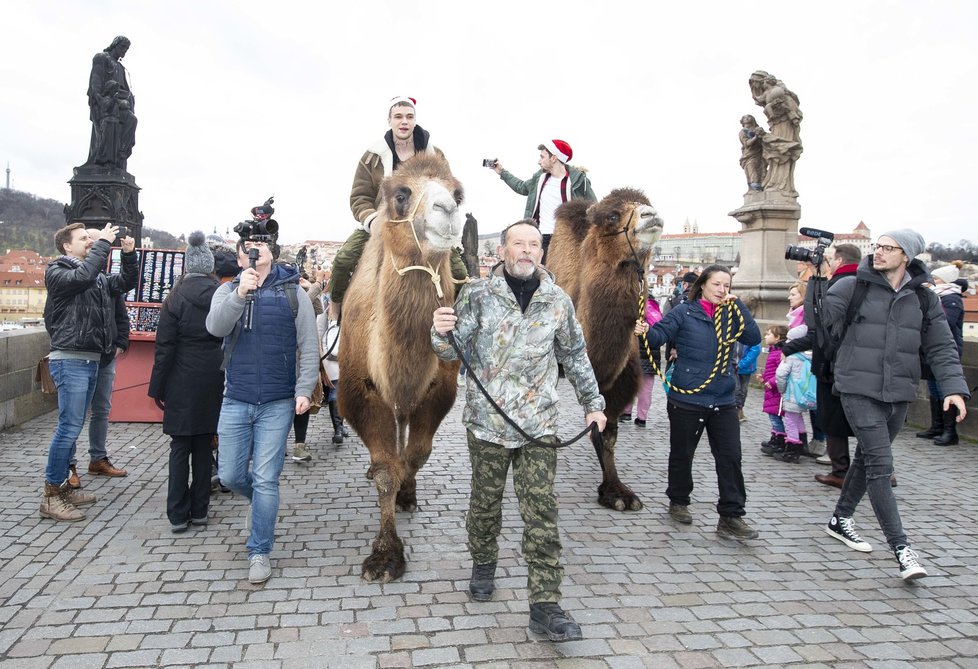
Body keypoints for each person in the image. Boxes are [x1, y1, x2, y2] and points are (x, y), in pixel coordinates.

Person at [431, 220, 607, 643]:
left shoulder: (557, 301)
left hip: (538, 426)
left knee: (541, 513)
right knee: (485, 505)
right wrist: (438, 332)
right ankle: (484, 562)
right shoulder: (477, 295)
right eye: (518, 244)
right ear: (503, 251)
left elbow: (575, 355)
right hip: (488, 425)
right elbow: (451, 350)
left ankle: (545, 605)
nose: (526, 251)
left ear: (540, 253)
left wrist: (593, 405)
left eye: (533, 244)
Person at [821, 229, 969, 582]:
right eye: (878, 246)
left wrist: (953, 388)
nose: (879, 252)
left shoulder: (924, 299)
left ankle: (840, 519)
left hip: (899, 392)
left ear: (908, 256)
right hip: (857, 386)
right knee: (880, 466)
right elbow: (822, 319)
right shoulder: (852, 286)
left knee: (868, 457)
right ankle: (903, 550)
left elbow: (941, 347)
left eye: (889, 247)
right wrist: (818, 281)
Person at [206, 237, 320, 584]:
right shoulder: (226, 291)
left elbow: (309, 345)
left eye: (262, 244)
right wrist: (240, 294)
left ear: (273, 252)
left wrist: (303, 389)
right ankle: (260, 508)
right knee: (230, 476)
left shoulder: (293, 293)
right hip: (236, 397)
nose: (256, 251)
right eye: (249, 246)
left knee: (267, 478)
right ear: (241, 257)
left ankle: (259, 550)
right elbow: (215, 328)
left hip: (277, 401)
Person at [636, 265, 761, 539]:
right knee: (683, 453)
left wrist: (739, 306)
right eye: (717, 284)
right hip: (688, 396)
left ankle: (731, 515)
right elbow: (660, 336)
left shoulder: (731, 314)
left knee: (730, 457)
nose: (722, 290)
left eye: (727, 285)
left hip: (723, 397)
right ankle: (678, 500)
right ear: (703, 284)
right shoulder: (684, 311)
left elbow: (753, 337)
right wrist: (644, 330)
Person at [40, 222, 137, 522]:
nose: (88, 242)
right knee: (68, 427)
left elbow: (124, 283)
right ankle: (52, 494)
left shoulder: (95, 278)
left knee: (75, 424)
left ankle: (63, 489)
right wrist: (103, 244)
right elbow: (82, 276)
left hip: (91, 359)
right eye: (83, 239)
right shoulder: (57, 272)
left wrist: (130, 255)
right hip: (69, 359)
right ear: (67, 246)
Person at [329, 96, 466, 307]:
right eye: (399, 116)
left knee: (458, 272)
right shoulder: (372, 156)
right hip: (383, 222)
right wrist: (372, 220)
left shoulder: (436, 155)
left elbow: (447, 189)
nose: (404, 121)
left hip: (424, 224)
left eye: (409, 117)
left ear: (415, 120)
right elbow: (359, 196)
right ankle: (337, 311)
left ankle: (456, 321)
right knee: (343, 261)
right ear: (389, 120)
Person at [149, 231, 224, 533]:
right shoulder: (221, 294)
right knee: (205, 445)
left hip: (180, 377)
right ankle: (201, 509)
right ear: (209, 266)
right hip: (213, 375)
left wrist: (157, 389)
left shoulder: (175, 298)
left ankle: (178, 514)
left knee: (180, 447)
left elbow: (164, 348)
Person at [782, 244, 862, 488]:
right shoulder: (867, 283)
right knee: (867, 421)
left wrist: (817, 278)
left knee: (833, 420)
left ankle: (840, 471)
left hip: (832, 362)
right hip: (859, 364)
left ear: (837, 260)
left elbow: (817, 321)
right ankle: (880, 469)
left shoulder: (839, 285)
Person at [66, 227, 132, 490]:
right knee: (74, 415)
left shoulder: (104, 279)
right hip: (78, 355)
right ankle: (69, 465)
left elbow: (121, 313)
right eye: (87, 240)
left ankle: (98, 458)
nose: (92, 244)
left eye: (95, 241)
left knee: (101, 410)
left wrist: (120, 342)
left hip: (105, 355)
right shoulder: (67, 274)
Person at [491, 139, 596, 260]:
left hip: (565, 239)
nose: (539, 161)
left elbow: (594, 208)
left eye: (542, 157)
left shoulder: (578, 181)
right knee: (537, 275)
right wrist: (501, 172)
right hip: (539, 237)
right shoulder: (539, 179)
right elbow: (521, 187)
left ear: (554, 158)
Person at [917, 261, 965, 446]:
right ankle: (937, 426)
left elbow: (947, 322)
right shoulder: (938, 296)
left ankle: (949, 431)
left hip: (946, 351)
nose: (933, 281)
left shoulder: (950, 298)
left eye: (936, 278)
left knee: (945, 390)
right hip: (930, 353)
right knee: (934, 389)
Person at [86, 36, 137, 170]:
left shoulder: (121, 68)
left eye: (126, 49)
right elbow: (95, 83)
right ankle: (105, 159)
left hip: (119, 103)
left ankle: (122, 152)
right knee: (110, 122)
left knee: (132, 120)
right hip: (106, 105)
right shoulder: (101, 58)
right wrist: (101, 100)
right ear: (114, 45)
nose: (124, 51)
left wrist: (128, 100)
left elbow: (124, 90)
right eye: (122, 47)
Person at [290, 272, 325, 462]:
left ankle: (299, 446)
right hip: (288, 358)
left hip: (303, 358)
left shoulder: (298, 295)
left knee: (302, 403)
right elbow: (310, 299)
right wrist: (317, 283)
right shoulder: (286, 298)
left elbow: (318, 309)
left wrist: (306, 288)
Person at [774, 325, 815, 463]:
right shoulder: (810, 356)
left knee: (790, 421)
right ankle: (802, 443)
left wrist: (782, 390)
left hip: (791, 394)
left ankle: (792, 450)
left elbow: (780, 375)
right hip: (804, 394)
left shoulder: (791, 357)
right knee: (798, 418)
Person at [621, 294, 663, 426]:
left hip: (632, 354)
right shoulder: (655, 309)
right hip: (651, 357)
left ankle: (626, 412)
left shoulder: (631, 309)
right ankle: (642, 418)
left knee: (628, 385)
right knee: (646, 389)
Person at [319, 300, 347, 445]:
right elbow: (318, 338)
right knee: (335, 392)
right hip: (331, 361)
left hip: (346, 361)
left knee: (342, 394)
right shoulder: (324, 318)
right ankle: (338, 429)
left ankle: (340, 425)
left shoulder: (348, 317)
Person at [758, 325, 788, 455]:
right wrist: (764, 378)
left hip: (776, 391)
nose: (765, 336)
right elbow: (772, 371)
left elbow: (782, 372)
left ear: (777, 338)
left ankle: (779, 441)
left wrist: (771, 381)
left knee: (776, 417)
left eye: (768, 334)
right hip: (771, 390)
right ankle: (775, 438)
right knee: (773, 417)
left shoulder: (779, 353)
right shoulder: (773, 351)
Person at [734, 341, 760, 422]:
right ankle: (736, 410)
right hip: (732, 366)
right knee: (736, 389)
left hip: (746, 367)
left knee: (743, 390)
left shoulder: (750, 333)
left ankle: (740, 409)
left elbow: (755, 350)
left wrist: (742, 364)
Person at [738, 115, 766, 191]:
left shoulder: (757, 129)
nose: (747, 118)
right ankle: (755, 187)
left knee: (762, 169)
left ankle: (762, 185)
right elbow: (746, 143)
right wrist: (755, 138)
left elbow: (765, 138)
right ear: (742, 121)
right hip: (749, 155)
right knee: (752, 169)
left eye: (749, 117)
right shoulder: (743, 132)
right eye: (745, 118)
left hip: (760, 153)